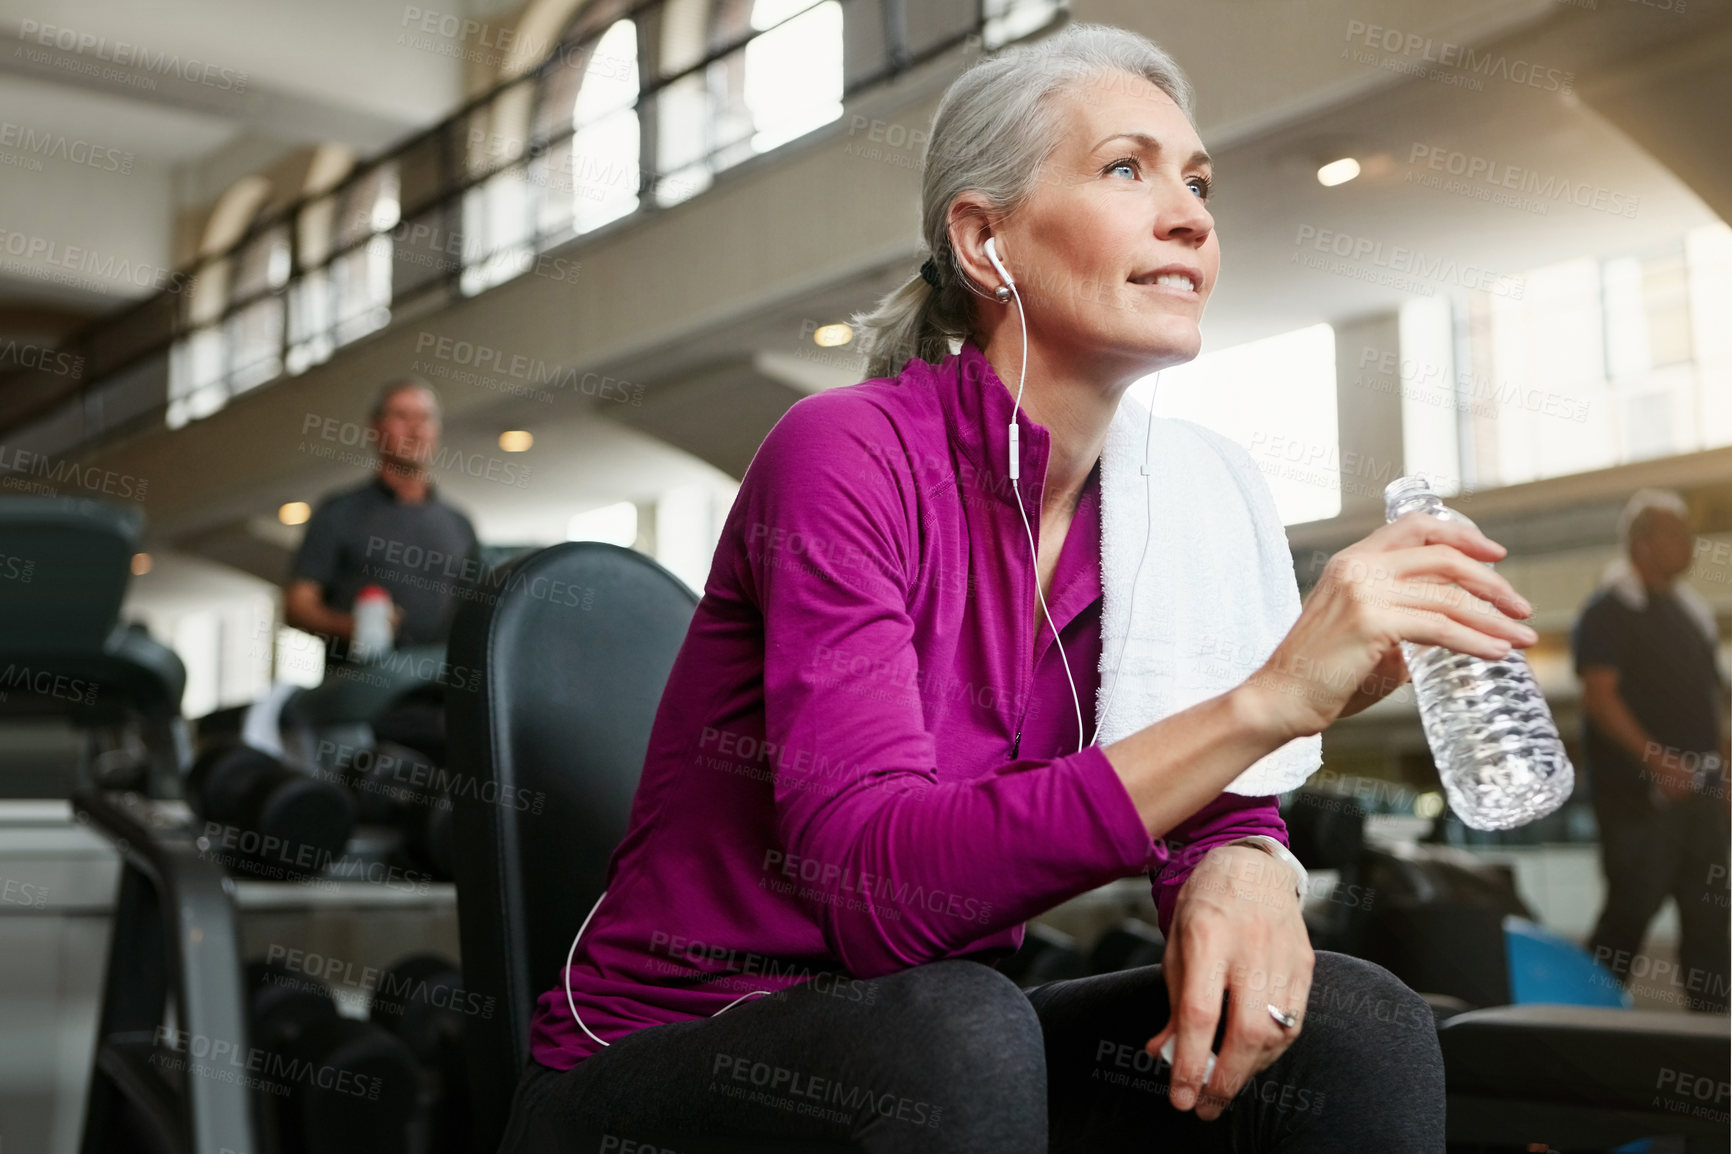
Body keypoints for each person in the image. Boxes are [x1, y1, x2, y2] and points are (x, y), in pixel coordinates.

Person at [501, 24, 1538, 1152]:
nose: (1190, 214)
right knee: (958, 1025)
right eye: (1125, 168)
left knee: (1356, 1023)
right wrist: (1274, 697)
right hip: (678, 1056)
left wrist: (1244, 860)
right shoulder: (844, 452)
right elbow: (875, 894)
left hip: (939, 1046)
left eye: (1197, 182)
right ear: (984, 241)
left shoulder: (1169, 503)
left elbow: (1204, 807)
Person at [1573, 488, 1731, 1014]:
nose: (1688, 544)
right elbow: (1600, 697)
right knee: (1628, 916)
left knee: (1711, 918)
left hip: (1702, 799)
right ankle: (1579, 1021)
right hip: (1638, 802)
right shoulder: (1608, 611)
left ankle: (1715, 1035)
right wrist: (1660, 765)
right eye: (1675, 534)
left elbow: (1712, 705)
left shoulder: (1691, 617)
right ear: (1643, 544)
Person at [285, 377, 480, 760]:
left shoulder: (459, 524)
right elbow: (297, 606)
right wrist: (353, 628)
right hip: (359, 704)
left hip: (438, 703)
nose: (414, 427)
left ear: (437, 430)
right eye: (401, 416)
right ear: (375, 429)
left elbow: (472, 612)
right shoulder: (339, 514)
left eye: (424, 418)